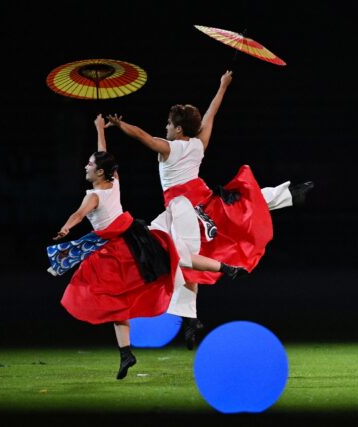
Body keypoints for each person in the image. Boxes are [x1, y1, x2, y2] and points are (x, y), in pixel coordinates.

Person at [106, 70, 314, 349]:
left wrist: (121, 125)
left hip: (181, 207)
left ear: (178, 129)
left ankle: (192, 314)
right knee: (239, 208)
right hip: (203, 198)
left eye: (168, 124)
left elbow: (143, 136)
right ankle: (290, 193)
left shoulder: (168, 148)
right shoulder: (198, 144)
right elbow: (211, 115)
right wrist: (223, 86)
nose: (165, 127)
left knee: (177, 254)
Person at [46, 114, 183, 379]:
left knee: (94, 292)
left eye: (89, 164)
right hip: (133, 242)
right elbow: (103, 154)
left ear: (99, 172)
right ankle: (125, 353)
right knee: (119, 301)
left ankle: (129, 348)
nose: (85, 166)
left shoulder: (94, 195)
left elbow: (78, 214)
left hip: (114, 251)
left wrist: (66, 227)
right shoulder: (114, 179)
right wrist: (99, 128)